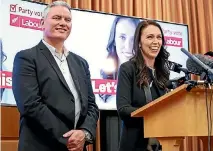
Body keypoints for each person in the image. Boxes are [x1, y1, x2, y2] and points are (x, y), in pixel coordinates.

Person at [12, 1, 99, 151]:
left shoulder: (81, 63)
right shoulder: (26, 58)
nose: (63, 23)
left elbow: (91, 105)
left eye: (68, 20)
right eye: (57, 18)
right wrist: (69, 138)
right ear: (42, 23)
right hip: (41, 145)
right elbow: (30, 105)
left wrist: (84, 133)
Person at [116, 20, 170, 151]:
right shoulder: (127, 68)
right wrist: (153, 115)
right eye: (150, 37)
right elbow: (123, 109)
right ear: (139, 42)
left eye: (159, 37)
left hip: (161, 143)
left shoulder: (163, 73)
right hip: (134, 144)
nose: (156, 42)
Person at [100, 16, 141, 103]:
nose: (128, 46)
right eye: (122, 37)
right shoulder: (99, 78)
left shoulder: (147, 77)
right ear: (114, 40)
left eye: (133, 39)